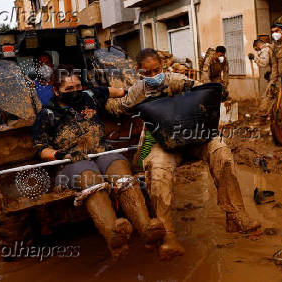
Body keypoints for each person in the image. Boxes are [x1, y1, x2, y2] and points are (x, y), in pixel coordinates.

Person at [106, 48, 260, 260]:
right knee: (157, 170)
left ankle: (235, 214)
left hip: (195, 135)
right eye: (147, 73)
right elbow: (121, 106)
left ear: (162, 67)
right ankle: (168, 236)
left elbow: (205, 93)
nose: (153, 76)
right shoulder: (138, 90)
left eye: (156, 70)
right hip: (164, 142)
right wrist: (102, 97)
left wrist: (193, 88)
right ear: (139, 72)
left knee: (221, 151)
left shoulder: (176, 79)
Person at [32, 65, 165, 260]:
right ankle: (113, 236)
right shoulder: (47, 114)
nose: (75, 92)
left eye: (77, 86)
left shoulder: (90, 95)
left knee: (122, 173)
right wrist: (61, 155)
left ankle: (146, 230)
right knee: (90, 178)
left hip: (102, 152)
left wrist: (145, 91)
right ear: (55, 90)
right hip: (72, 162)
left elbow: (117, 91)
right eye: (69, 89)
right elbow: (40, 149)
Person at [251, 39, 275, 121]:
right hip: (275, 73)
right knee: (273, 95)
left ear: (257, 46)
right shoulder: (270, 47)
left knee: (268, 95)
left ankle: (264, 113)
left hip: (276, 76)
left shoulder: (265, 49)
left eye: (256, 49)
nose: (257, 51)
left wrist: (254, 58)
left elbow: (263, 63)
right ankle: (270, 113)